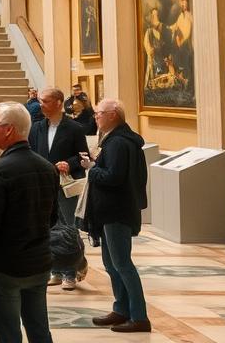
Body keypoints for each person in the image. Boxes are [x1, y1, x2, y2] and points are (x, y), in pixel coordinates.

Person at [0, 102, 58, 343]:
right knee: (39, 330)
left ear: (8, 130)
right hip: (39, 263)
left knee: (8, 334)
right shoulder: (47, 168)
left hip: (5, 267)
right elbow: (53, 217)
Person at [82, 99, 151, 334]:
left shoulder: (119, 143)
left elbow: (113, 177)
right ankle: (121, 309)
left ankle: (139, 317)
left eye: (99, 113)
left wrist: (91, 168)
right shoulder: (115, 140)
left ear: (113, 115)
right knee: (111, 264)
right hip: (110, 210)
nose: (95, 117)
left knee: (122, 264)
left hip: (117, 211)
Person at [29, 88, 89, 290]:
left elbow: (83, 157)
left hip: (65, 186)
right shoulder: (36, 128)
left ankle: (70, 272)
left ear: (58, 103)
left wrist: (69, 164)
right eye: (40, 101)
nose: (40, 105)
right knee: (48, 229)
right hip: (44, 186)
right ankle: (54, 269)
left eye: (44, 101)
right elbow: (30, 153)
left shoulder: (74, 128)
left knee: (68, 229)